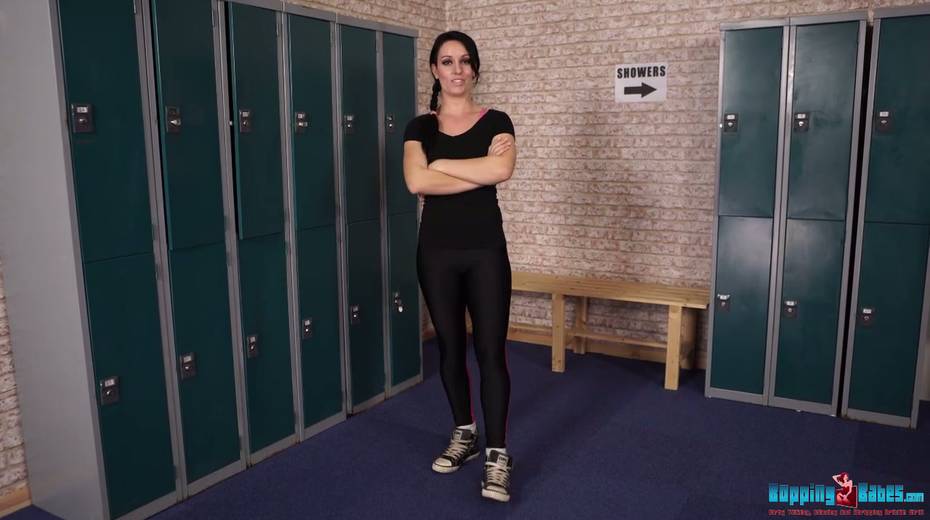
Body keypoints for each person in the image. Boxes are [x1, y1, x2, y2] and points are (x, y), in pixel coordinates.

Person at [402, 30, 517, 503]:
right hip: (436, 253)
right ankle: (465, 433)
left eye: (465, 61)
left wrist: (441, 165)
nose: (457, 69)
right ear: (434, 69)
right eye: (447, 61)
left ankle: (497, 455)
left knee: (490, 353)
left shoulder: (497, 120)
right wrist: (474, 168)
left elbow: (501, 171)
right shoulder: (419, 127)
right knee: (450, 350)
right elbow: (415, 182)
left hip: (486, 250)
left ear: (474, 69)